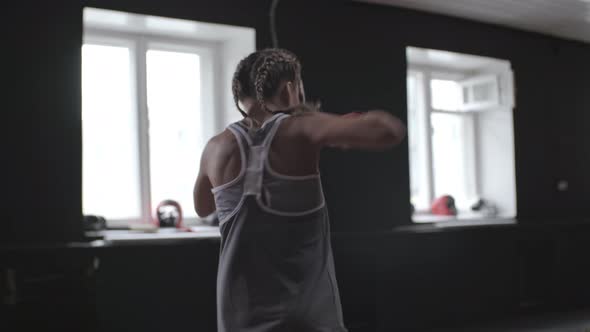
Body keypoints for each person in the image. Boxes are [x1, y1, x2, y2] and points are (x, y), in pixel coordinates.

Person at [194, 48, 406, 332]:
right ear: (290, 88)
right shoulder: (299, 129)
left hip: (238, 321)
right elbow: (388, 129)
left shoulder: (215, 147)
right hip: (307, 323)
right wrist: (316, 118)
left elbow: (203, 207)